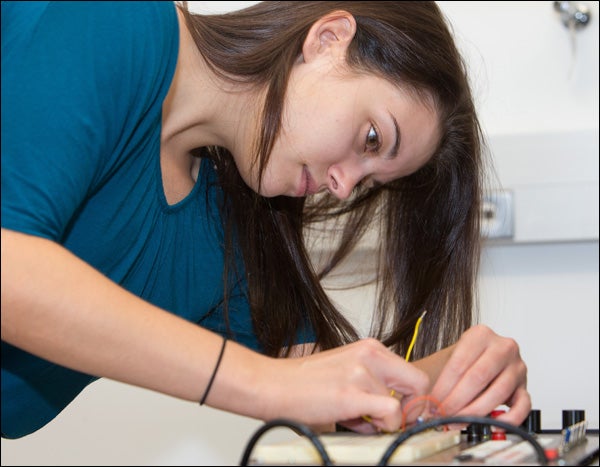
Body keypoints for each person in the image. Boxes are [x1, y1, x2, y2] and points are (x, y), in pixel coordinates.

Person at [1, 0, 530, 441]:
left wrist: (459, 379)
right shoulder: (112, 19)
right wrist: (262, 382)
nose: (344, 186)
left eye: (370, 181)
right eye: (371, 138)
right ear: (328, 39)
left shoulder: (231, 229)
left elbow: (335, 391)